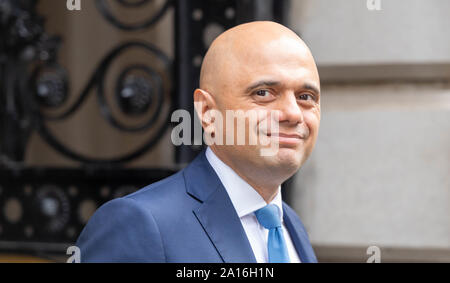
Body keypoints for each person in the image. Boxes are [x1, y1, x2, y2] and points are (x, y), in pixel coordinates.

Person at [76, 21, 321, 263]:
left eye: (305, 96)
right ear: (206, 111)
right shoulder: (139, 223)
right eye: (263, 93)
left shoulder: (290, 224)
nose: (293, 114)